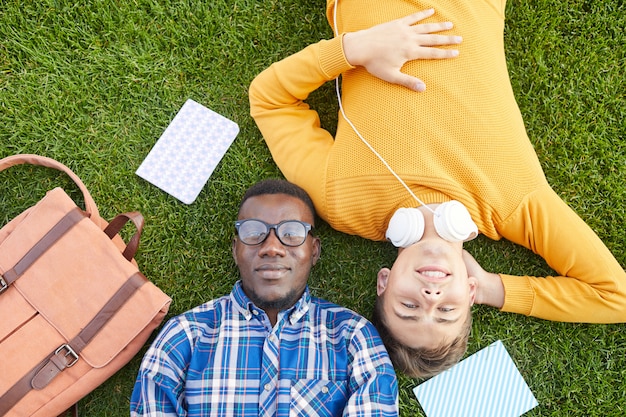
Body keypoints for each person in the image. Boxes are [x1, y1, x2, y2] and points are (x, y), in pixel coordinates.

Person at [248, 1, 626, 378]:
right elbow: (616, 297)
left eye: (408, 307)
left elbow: (269, 99)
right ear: (469, 292)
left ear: (384, 281)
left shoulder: (342, 203)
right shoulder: (513, 204)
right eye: (447, 311)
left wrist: (353, 49)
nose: (430, 297)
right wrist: (496, 289)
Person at [130, 179, 398, 416]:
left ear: (314, 251)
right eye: (253, 232)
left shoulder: (353, 335)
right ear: (236, 250)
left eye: (292, 233)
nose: (272, 247)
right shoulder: (185, 335)